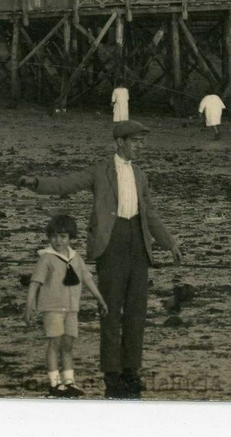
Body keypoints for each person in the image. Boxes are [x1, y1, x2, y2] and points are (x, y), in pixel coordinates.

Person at [18, 122, 181, 399]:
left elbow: (150, 214)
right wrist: (37, 184)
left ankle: (131, 372)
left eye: (142, 142)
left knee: (136, 312)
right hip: (110, 244)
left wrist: (170, 243)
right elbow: (68, 183)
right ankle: (112, 375)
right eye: (136, 141)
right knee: (110, 310)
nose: (140, 146)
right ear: (119, 142)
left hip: (139, 246)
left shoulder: (141, 175)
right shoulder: (100, 170)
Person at [24, 213, 108, 398]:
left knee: (68, 344)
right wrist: (29, 306)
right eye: (54, 236)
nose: (58, 241)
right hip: (52, 308)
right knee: (54, 343)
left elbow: (87, 279)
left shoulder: (75, 258)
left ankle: (69, 381)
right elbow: (35, 283)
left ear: (70, 237)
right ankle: (55, 383)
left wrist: (100, 299)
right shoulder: (46, 258)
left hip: (71, 309)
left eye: (63, 236)